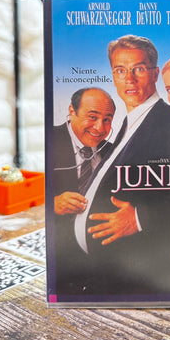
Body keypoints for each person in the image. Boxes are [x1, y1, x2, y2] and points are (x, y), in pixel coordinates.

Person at [70, 35, 170, 297]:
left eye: (138, 69)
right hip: (100, 273)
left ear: (154, 74)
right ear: (113, 76)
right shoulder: (127, 124)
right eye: (120, 70)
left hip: (138, 281)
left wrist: (139, 218)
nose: (128, 78)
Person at [52, 87, 115, 292]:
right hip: (60, 257)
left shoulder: (112, 150)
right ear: (72, 111)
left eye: (107, 119)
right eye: (92, 117)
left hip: (101, 255)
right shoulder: (48, 139)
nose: (100, 127)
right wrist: (52, 203)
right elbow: (24, 198)